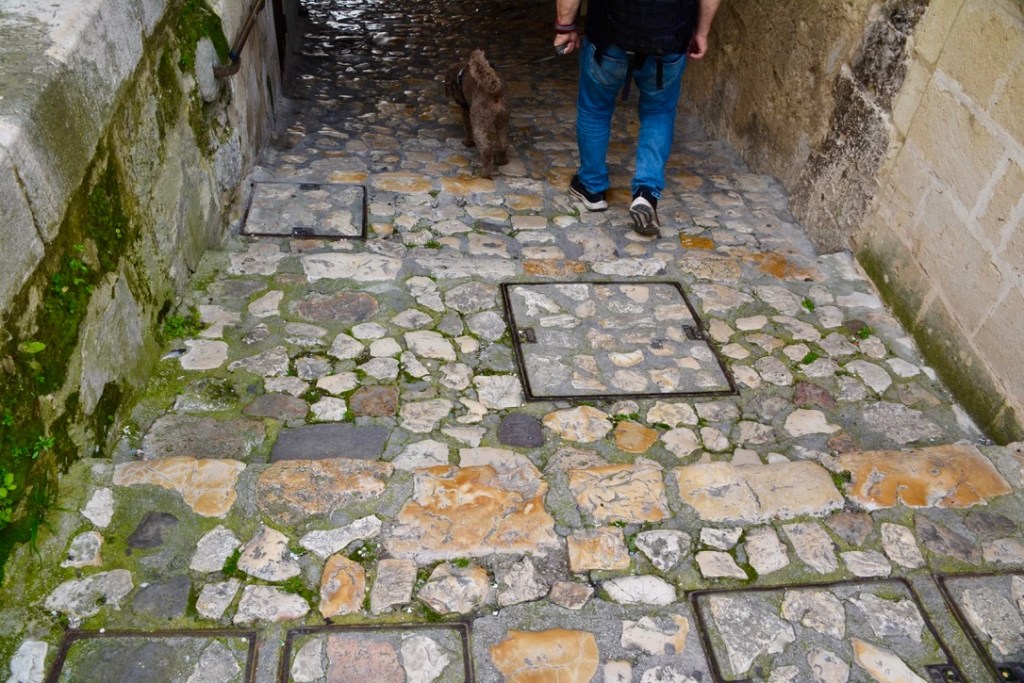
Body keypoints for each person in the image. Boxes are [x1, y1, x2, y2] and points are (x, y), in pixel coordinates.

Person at [554, 0, 721, 236]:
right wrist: (702, 32)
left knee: (595, 108)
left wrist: (565, 26)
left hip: (609, 38)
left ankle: (591, 186)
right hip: (668, 40)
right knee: (659, 111)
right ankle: (646, 192)